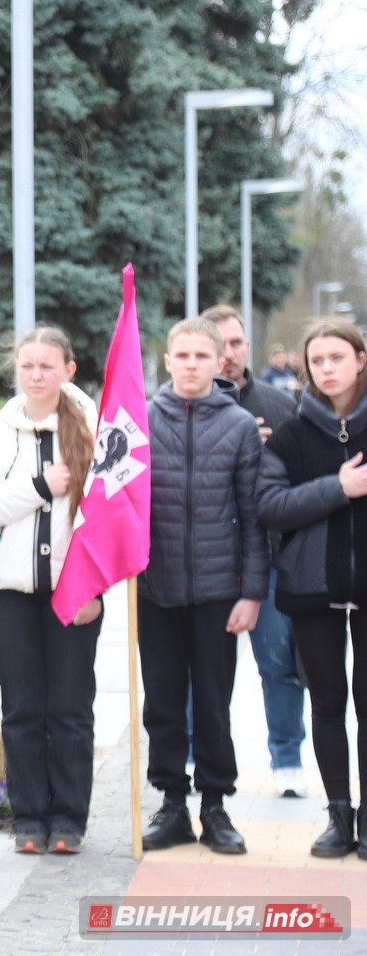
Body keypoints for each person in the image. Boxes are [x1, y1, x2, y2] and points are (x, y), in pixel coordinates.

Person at [0, 326, 102, 855]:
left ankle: (68, 819)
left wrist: (93, 586)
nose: (36, 375)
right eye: (27, 366)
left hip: (75, 591)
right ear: (15, 370)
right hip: (12, 593)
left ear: (68, 370)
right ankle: (29, 817)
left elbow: (103, 518)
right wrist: (41, 486)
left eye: (47, 365)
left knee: (69, 708)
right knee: (23, 708)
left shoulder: (91, 429)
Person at [137, 316, 266, 855]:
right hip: (156, 589)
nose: (191, 365)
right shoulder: (141, 419)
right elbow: (123, 503)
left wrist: (252, 592)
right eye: (181, 356)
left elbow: (253, 515)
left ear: (219, 363)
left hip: (218, 592)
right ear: (167, 361)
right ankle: (171, 802)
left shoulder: (238, 426)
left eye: (201, 357)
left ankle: (215, 803)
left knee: (214, 702)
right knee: (162, 701)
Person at [258, 319, 367, 858]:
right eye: (317, 360)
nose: (326, 369)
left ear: (360, 360)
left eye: (337, 358)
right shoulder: (292, 436)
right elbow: (270, 506)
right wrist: (338, 488)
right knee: (326, 703)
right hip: (310, 587)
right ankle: (339, 818)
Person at [200, 306, 306, 797]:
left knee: (280, 663)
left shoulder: (280, 406)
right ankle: (194, 758)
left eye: (236, 342)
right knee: (198, 669)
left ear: (248, 346)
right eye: (217, 344)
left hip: (273, 556)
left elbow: (305, 482)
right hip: (207, 560)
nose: (228, 353)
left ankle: (287, 759)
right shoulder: (183, 405)